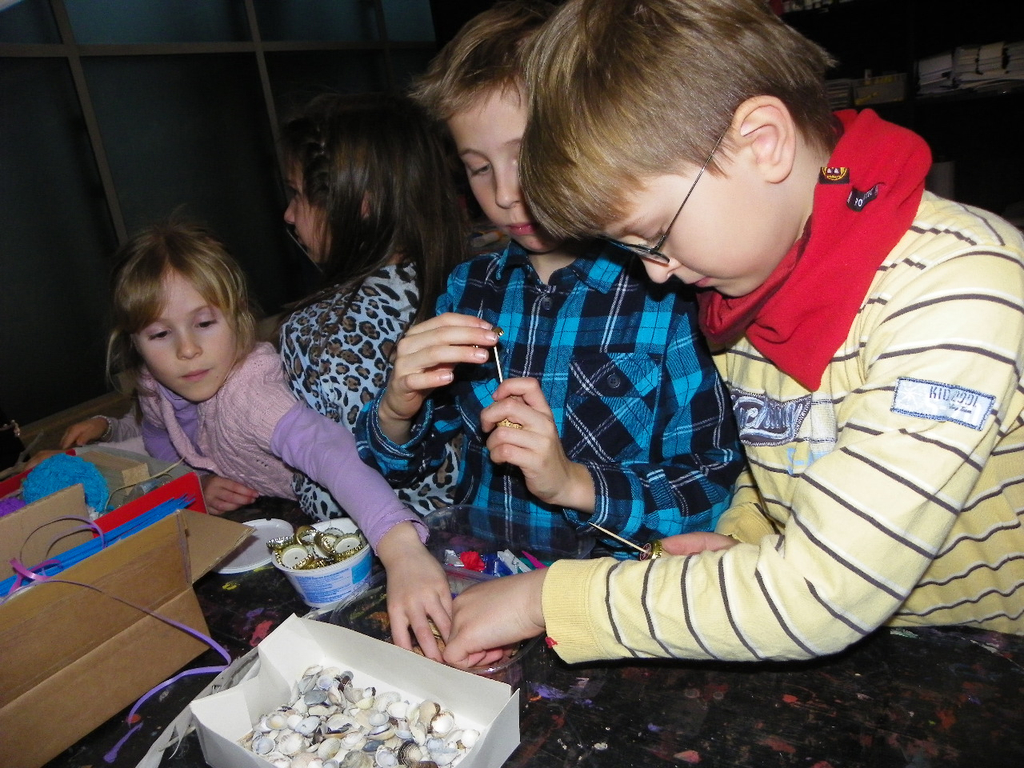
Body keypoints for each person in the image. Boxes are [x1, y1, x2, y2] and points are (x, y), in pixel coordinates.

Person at [440, 0, 1024, 672]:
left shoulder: (959, 289)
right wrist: (742, 534)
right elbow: (786, 456)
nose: (657, 272)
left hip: (984, 665)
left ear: (763, 143)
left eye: (656, 235)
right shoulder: (752, 274)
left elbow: (818, 594)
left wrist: (545, 599)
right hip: (868, 663)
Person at [355, 0, 744, 561]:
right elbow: (401, 466)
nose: (504, 194)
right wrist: (397, 408)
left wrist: (574, 483)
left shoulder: (668, 291)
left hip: (610, 593)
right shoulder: (468, 290)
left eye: (527, 156)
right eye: (479, 167)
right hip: (485, 572)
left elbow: (712, 489)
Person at [61, 220, 453, 658]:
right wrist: (196, 482)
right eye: (160, 334)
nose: (186, 350)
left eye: (204, 323)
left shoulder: (252, 394)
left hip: (344, 506)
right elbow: (157, 436)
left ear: (239, 317)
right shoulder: (156, 385)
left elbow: (331, 452)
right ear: (134, 343)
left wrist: (400, 549)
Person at [277, 92, 467, 520]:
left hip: (384, 550)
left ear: (360, 204)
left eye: (298, 194)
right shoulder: (477, 286)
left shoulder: (316, 331)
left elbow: (332, 502)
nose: (289, 214)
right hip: (480, 539)